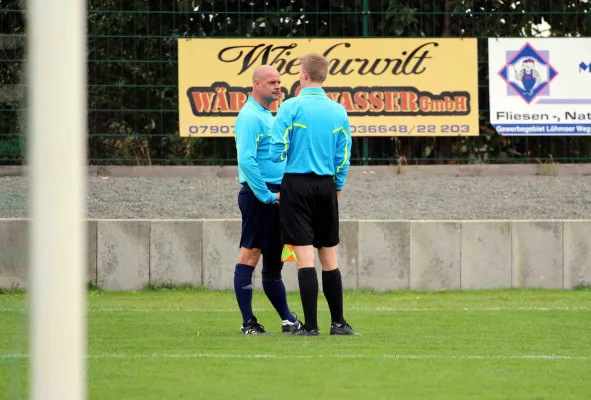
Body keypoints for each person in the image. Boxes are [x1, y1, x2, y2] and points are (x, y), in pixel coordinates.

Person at [269, 53, 360, 336]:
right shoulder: (338, 111)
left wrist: (284, 155)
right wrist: (338, 185)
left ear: (303, 75)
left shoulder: (290, 106)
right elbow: (343, 155)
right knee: (329, 257)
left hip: (295, 185)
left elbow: (276, 149)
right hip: (325, 186)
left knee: (305, 258)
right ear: (324, 76)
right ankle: (339, 323)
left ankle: (310, 327)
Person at [232, 64, 303, 335]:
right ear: (256, 85)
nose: (278, 86)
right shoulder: (250, 116)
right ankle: (248, 322)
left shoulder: (269, 116)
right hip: (260, 195)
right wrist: (265, 195)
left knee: (274, 260)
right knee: (250, 254)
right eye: (272, 82)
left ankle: (288, 319)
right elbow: (246, 160)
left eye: (279, 81)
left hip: (276, 196)